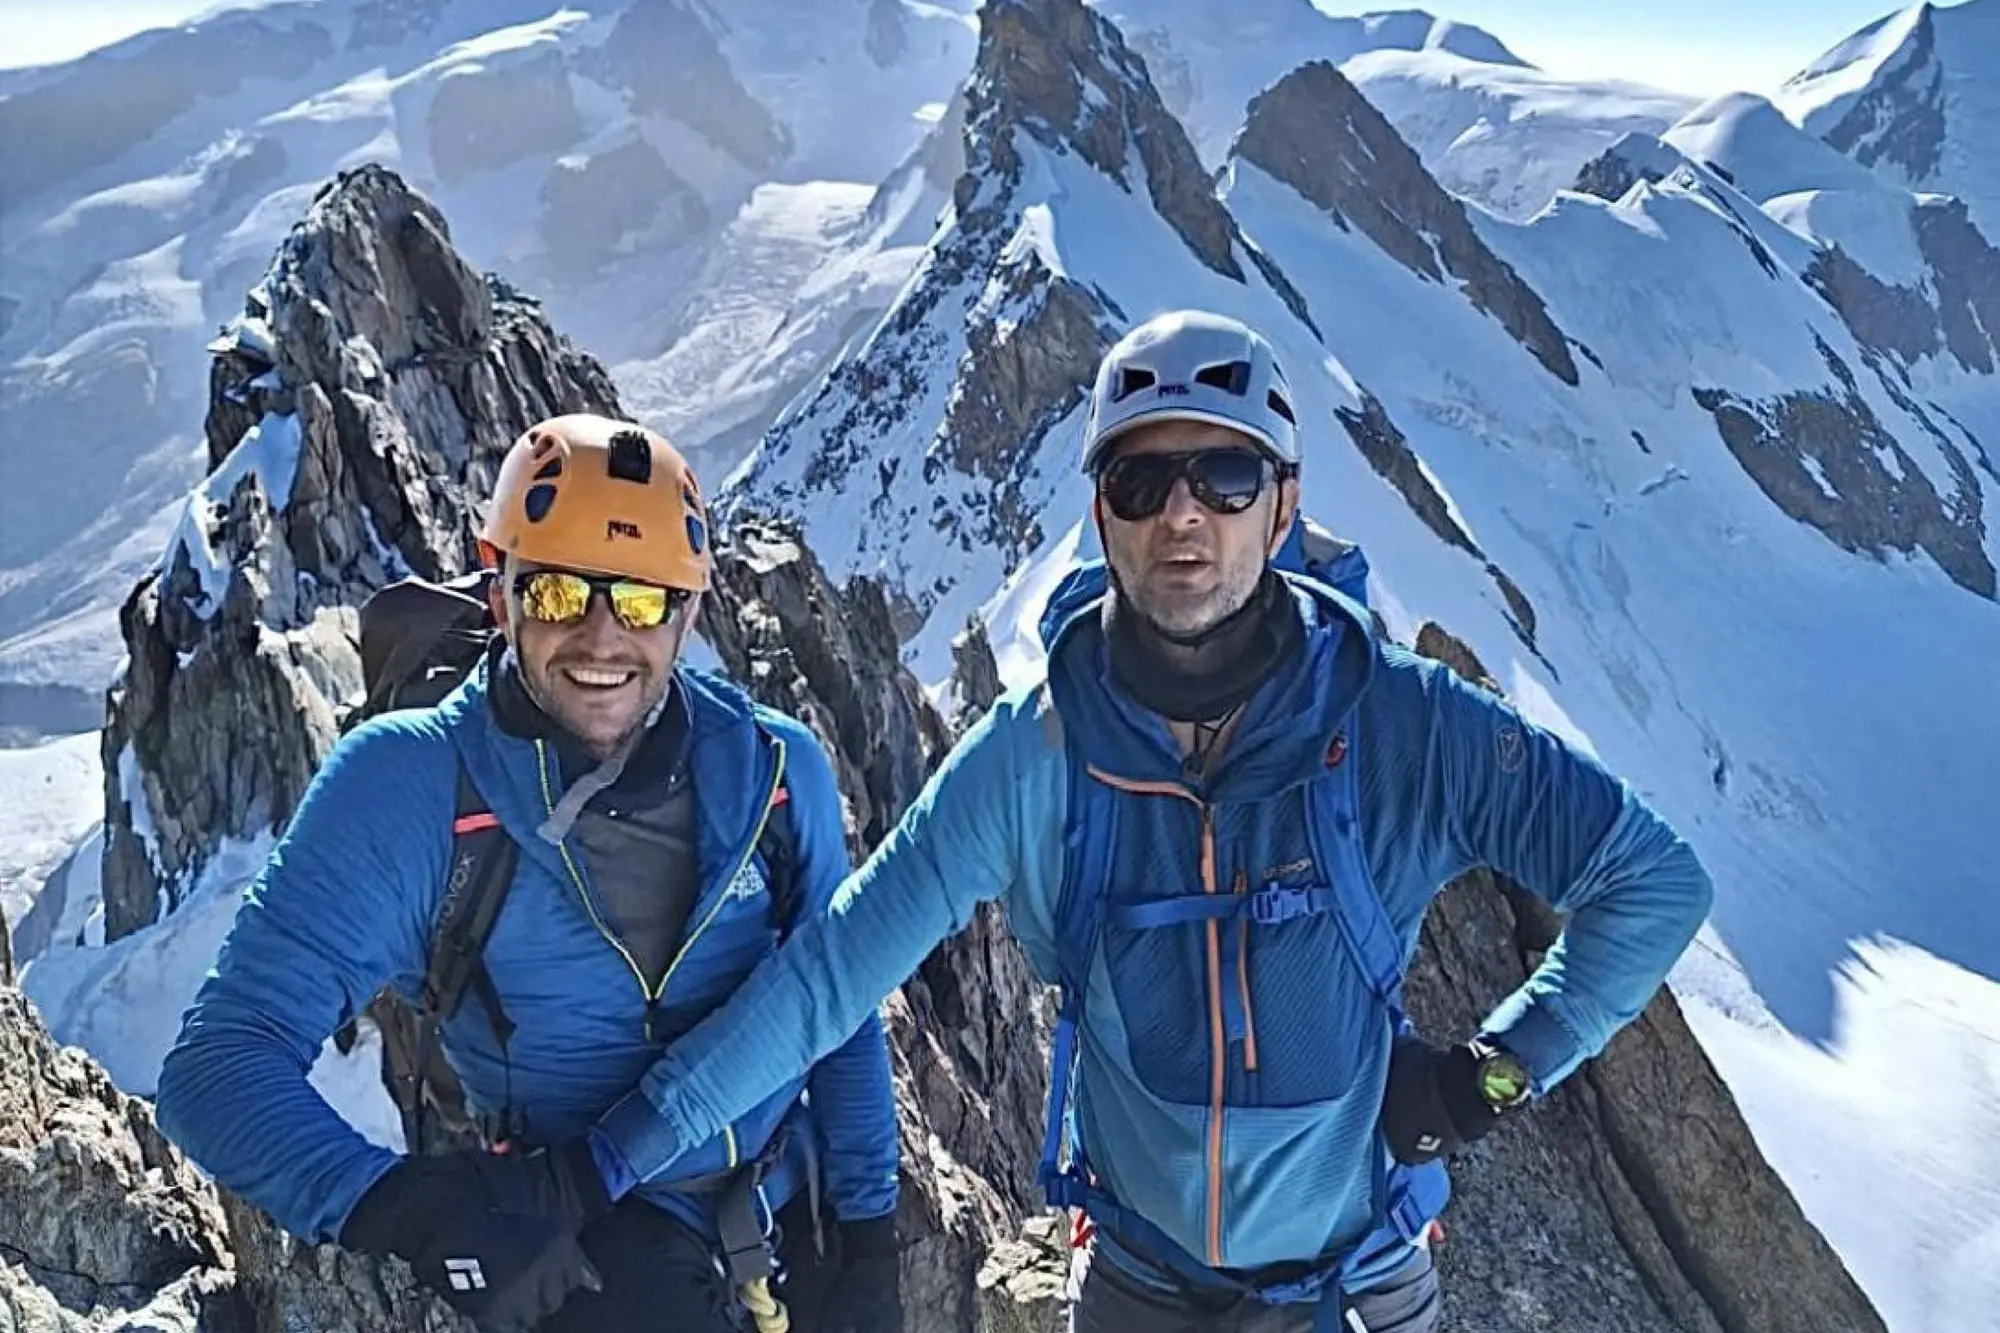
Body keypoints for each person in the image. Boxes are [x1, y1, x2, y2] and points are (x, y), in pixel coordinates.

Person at [569, 311, 1713, 1332]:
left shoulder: (1398, 725)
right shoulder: (1035, 754)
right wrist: (604, 1164)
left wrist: (1489, 1077)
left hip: (1350, 1276)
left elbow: (1651, 879)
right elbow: (827, 980)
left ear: (1282, 507)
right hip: (1137, 1276)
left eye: (1222, 475)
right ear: (1100, 513)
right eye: (1140, 483)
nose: (1182, 515)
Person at [155, 414, 905, 1333]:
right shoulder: (412, 788)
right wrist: (424, 1214)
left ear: (688, 611)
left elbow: (842, 1004)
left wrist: (869, 1234)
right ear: (501, 593)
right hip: (587, 1234)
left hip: (796, 1206)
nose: (599, 639)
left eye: (638, 600)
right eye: (557, 594)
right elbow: (216, 1069)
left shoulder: (777, 774)